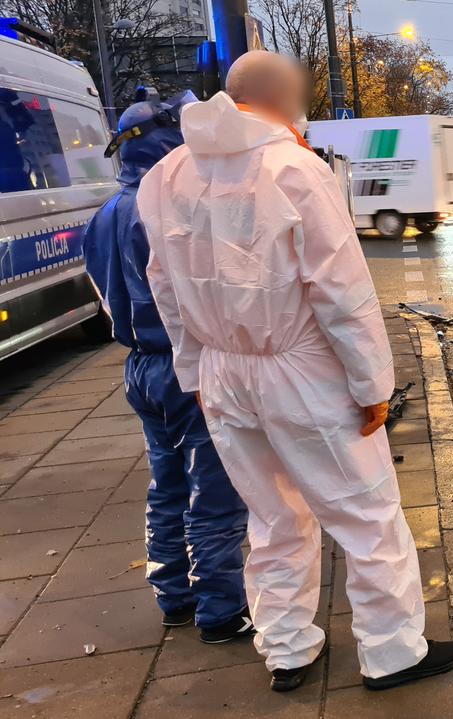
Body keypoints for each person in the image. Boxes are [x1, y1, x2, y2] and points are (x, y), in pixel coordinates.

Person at [137, 51, 453, 693]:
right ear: (290, 103)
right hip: (299, 366)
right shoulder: (294, 169)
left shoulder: (167, 174)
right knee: (366, 515)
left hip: (225, 371)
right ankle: (392, 651)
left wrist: (197, 373)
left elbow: (165, 288)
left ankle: (286, 647)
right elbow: (340, 291)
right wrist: (372, 385)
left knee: (272, 516)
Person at [83, 90, 254, 645]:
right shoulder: (164, 207)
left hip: (139, 367)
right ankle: (221, 611)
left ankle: (174, 596)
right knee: (214, 490)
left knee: (166, 485)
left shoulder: (105, 214)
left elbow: (107, 297)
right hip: (184, 365)